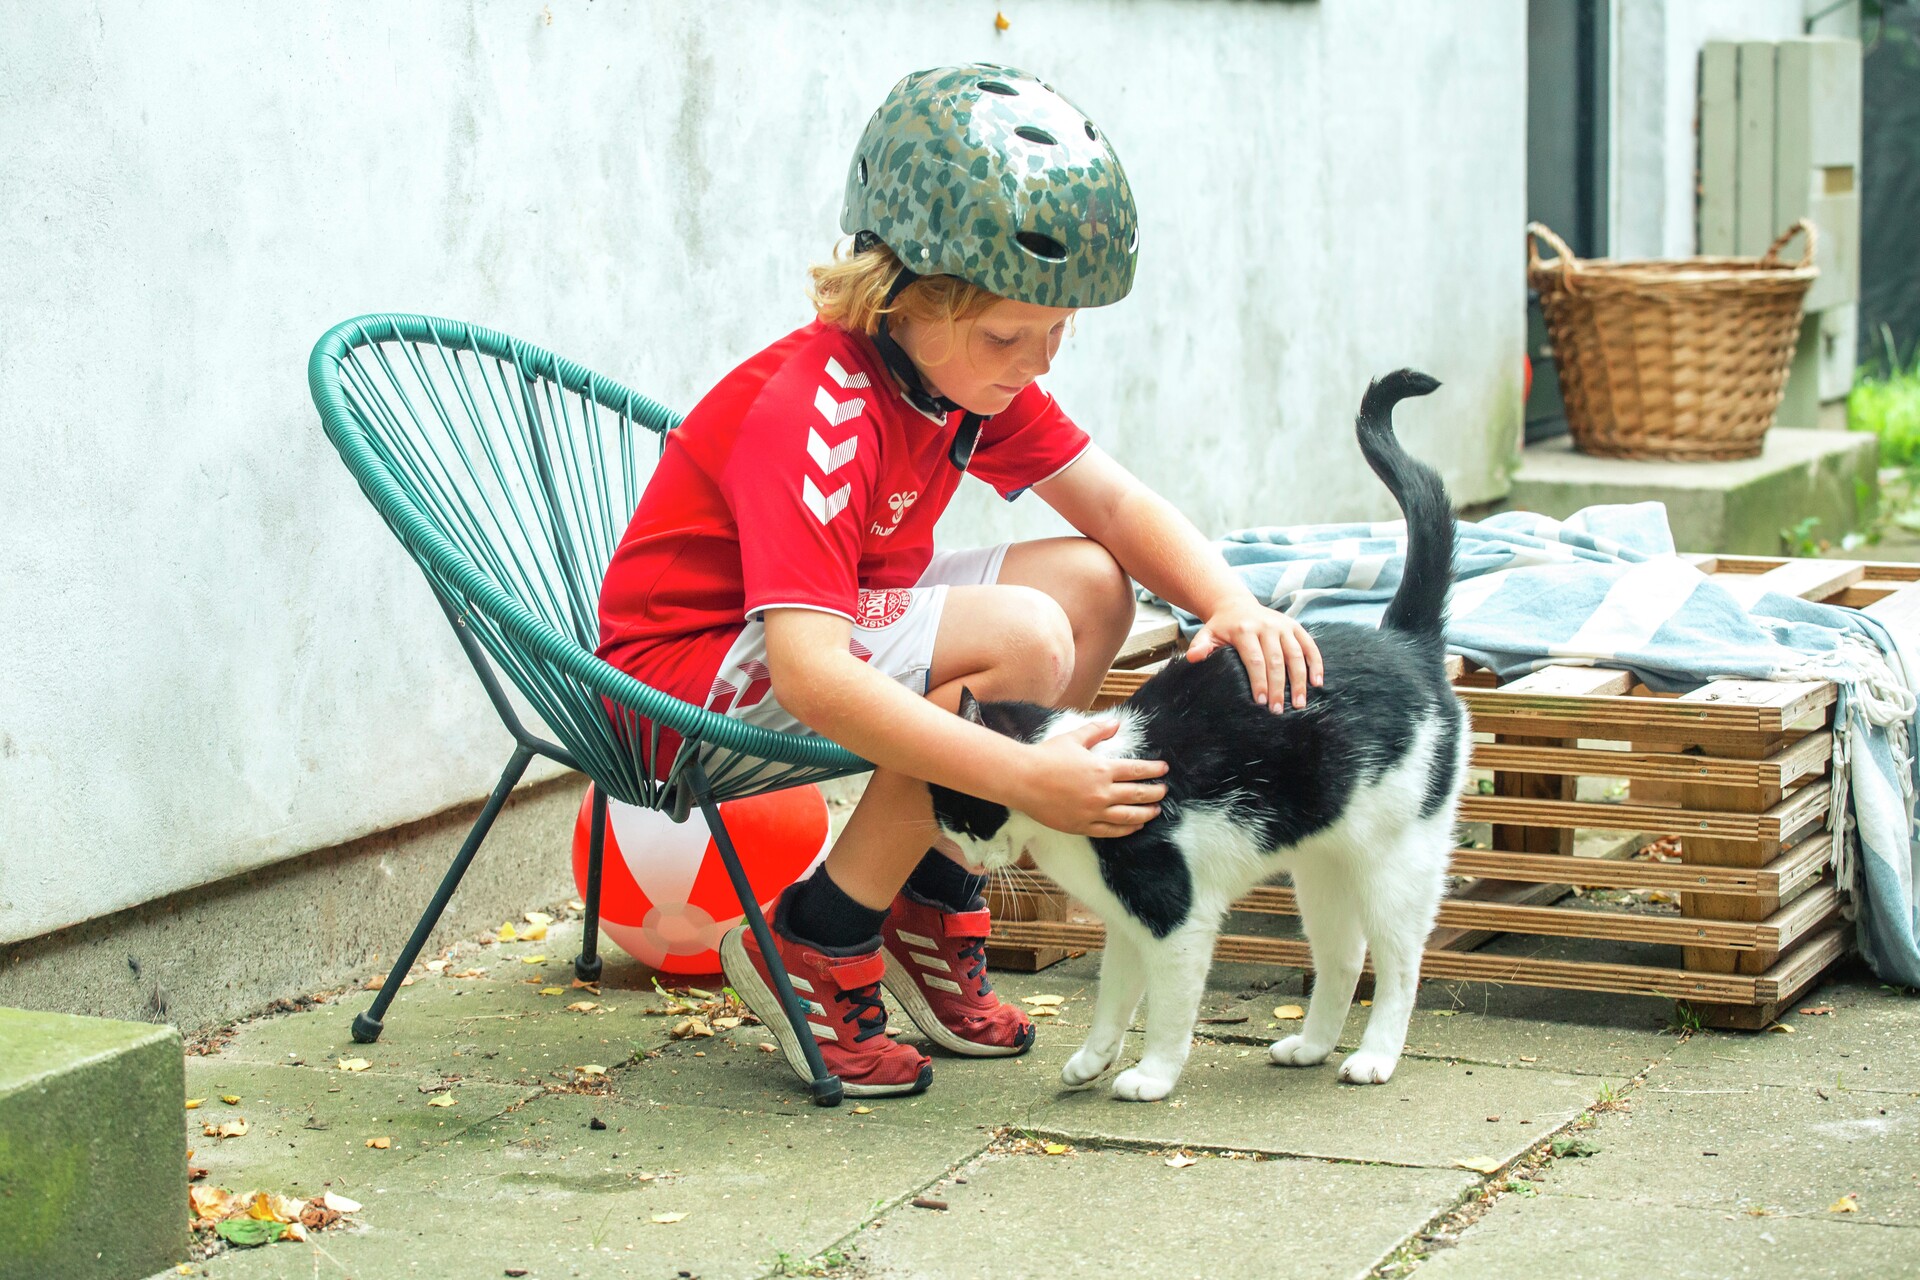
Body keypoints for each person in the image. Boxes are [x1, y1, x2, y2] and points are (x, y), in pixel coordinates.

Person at [596, 64, 1322, 1098]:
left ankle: (931, 890)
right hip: (678, 685)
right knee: (1024, 635)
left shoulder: (957, 378)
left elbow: (1115, 507)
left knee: (1093, 584)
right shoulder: (820, 411)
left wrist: (1230, 603)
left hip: (799, 634)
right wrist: (1023, 778)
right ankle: (818, 932)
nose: (1039, 360)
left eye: (1059, 329)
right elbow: (809, 672)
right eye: (1008, 335)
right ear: (903, 295)